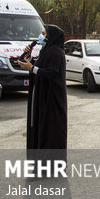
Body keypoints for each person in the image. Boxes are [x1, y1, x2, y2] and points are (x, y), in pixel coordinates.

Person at [18, 25, 68, 163]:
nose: (41, 36)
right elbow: (41, 68)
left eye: (44, 33)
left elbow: (52, 74)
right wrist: (28, 58)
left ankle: (49, 165)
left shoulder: (56, 52)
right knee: (40, 129)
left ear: (51, 37)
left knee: (50, 131)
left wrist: (32, 68)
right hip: (42, 97)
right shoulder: (46, 51)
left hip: (51, 101)